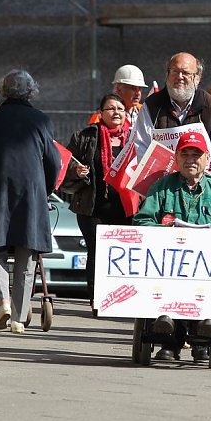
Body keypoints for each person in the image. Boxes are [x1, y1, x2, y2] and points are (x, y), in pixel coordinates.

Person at [133, 131, 211, 360]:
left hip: (208, 266)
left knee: (207, 285)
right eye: (185, 154)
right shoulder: (161, 187)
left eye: (197, 154)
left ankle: (204, 332)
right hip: (168, 263)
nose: (191, 159)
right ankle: (169, 338)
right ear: (176, 157)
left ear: (206, 158)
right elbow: (142, 221)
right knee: (167, 283)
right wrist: (167, 233)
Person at [0, 70, 60, 333]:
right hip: (31, 193)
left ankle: (3, 301)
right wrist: (47, 188)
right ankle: (18, 318)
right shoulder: (41, 120)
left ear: (3, 91)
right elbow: (54, 161)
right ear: (31, 92)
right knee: (26, 254)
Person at [62, 94, 134, 311]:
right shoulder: (85, 137)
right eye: (110, 108)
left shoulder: (135, 138)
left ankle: (122, 299)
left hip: (125, 207)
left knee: (123, 254)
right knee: (97, 252)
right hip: (92, 207)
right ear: (100, 113)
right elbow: (64, 166)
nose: (116, 113)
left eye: (120, 109)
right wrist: (77, 171)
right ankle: (98, 299)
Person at [123, 52, 211, 181]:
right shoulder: (151, 106)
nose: (179, 77)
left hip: (205, 189)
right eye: (174, 71)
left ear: (197, 78)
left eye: (186, 73)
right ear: (167, 75)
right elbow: (142, 147)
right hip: (164, 190)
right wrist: (152, 187)